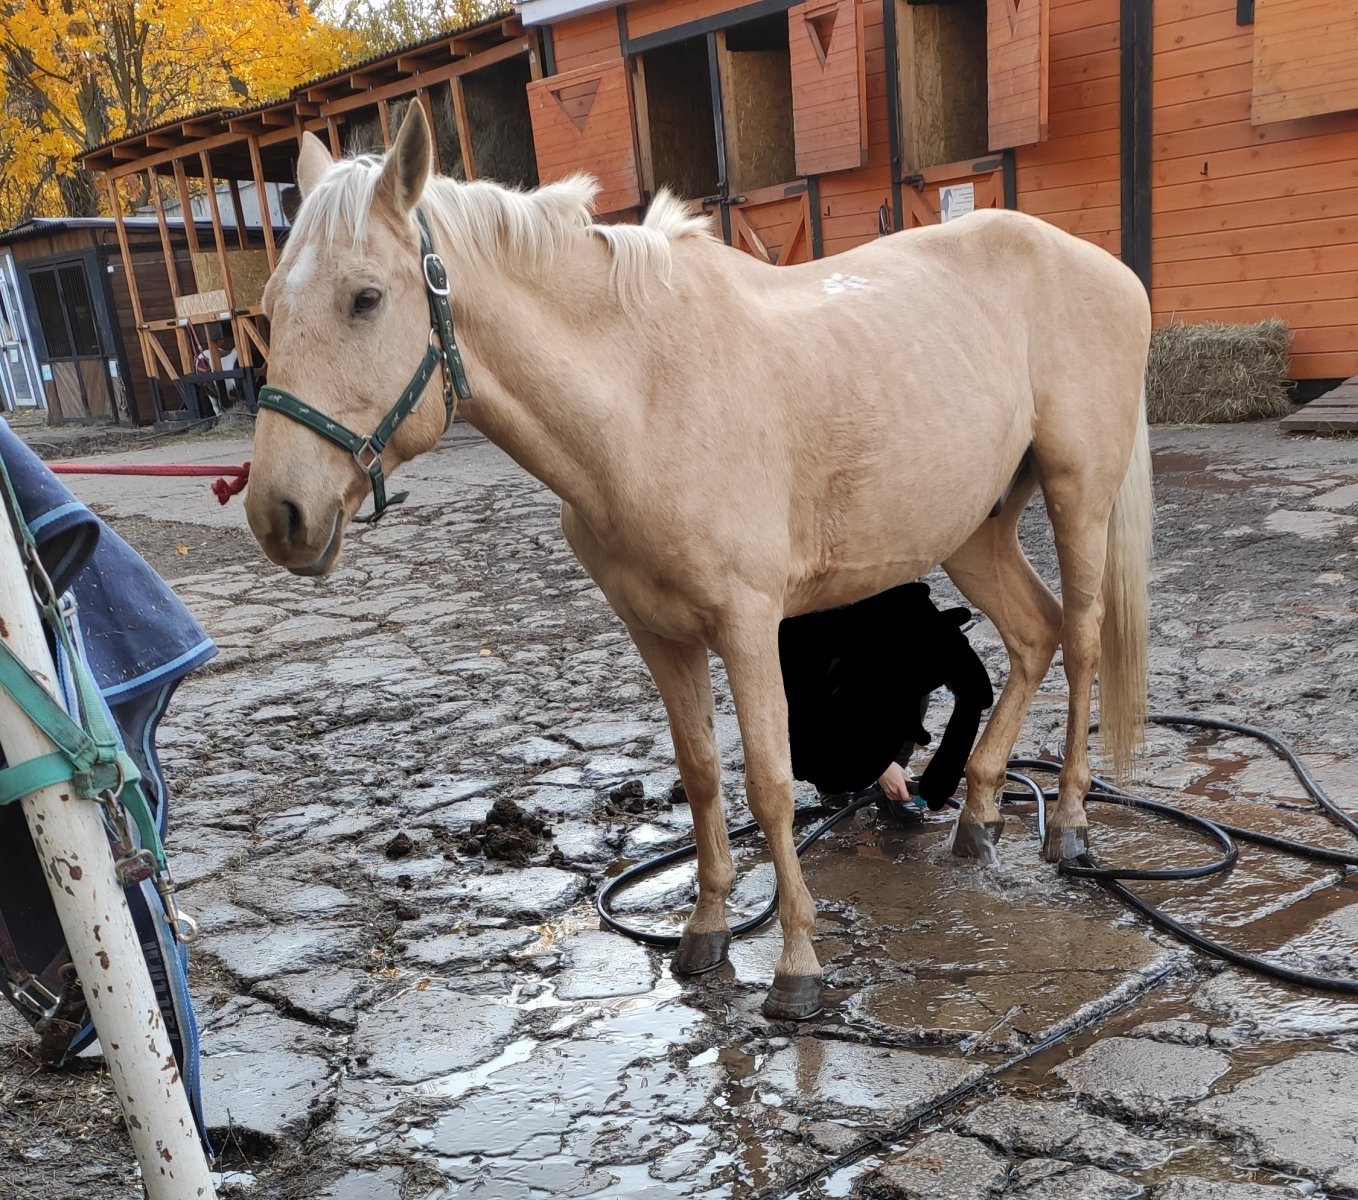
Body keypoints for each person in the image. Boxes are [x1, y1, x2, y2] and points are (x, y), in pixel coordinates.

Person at [778, 581, 995, 816]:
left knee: (910, 665)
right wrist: (880, 768)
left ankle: (893, 773)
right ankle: (836, 787)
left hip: (870, 606)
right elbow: (803, 704)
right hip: (820, 638)